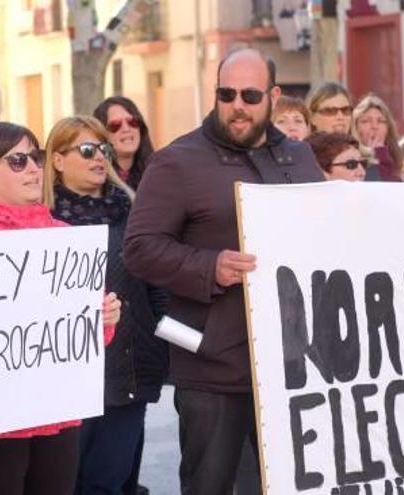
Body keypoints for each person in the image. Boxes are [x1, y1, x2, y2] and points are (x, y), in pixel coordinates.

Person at [123, 48, 324, 494]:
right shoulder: (178, 160)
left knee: (294, 484)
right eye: (226, 93)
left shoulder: (300, 158)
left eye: (250, 95)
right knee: (210, 485)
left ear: (273, 96)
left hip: (293, 362)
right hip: (212, 365)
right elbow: (138, 249)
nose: (237, 104)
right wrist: (209, 267)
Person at [0, 121, 122, 495]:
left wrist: (104, 319)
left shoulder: (63, 237)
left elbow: (82, 337)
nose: (33, 168)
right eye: (17, 161)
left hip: (56, 415)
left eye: (35, 157)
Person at [41, 116, 168, 494]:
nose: (99, 157)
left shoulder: (134, 211)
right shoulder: (40, 221)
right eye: (87, 149)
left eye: (104, 149)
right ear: (58, 160)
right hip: (66, 379)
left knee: (109, 482)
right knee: (67, 484)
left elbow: (156, 288)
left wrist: (161, 344)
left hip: (129, 371)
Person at [92, 96, 154, 189]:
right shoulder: (95, 179)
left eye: (132, 122)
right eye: (115, 125)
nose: (126, 129)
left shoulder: (157, 173)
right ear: (102, 135)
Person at [352, 94, 402, 181]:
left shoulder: (399, 158)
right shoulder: (348, 160)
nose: (374, 126)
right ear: (355, 127)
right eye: (366, 121)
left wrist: (382, 154)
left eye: (381, 121)